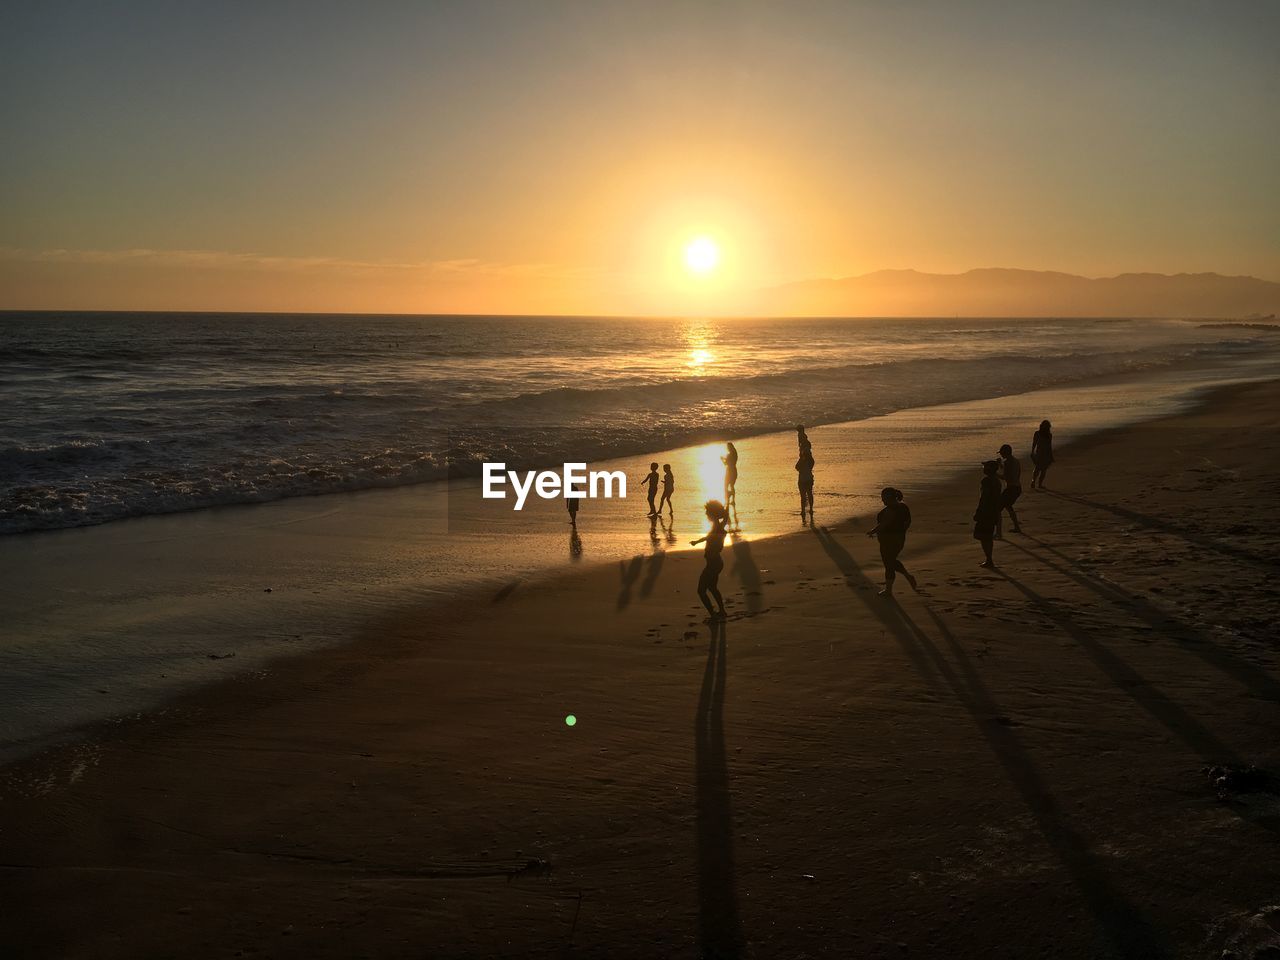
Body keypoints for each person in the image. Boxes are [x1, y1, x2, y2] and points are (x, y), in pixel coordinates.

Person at [866, 487, 918, 597]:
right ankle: (907, 576)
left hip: (888, 540)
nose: (882, 500)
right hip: (900, 539)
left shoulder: (890, 510)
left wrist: (872, 531)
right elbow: (908, 522)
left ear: (889, 498)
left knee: (889, 564)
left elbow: (884, 524)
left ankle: (889, 590)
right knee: (891, 561)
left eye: (883, 498)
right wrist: (901, 532)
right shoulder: (904, 506)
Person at [690, 499, 730, 620]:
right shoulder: (718, 526)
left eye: (707, 512)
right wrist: (697, 542)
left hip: (713, 564)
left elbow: (713, 539)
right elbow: (709, 537)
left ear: (713, 514)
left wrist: (711, 552)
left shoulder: (718, 527)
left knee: (701, 591)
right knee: (712, 587)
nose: (706, 514)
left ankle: (713, 615)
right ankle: (722, 611)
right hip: (717, 563)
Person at [973, 460, 1002, 568]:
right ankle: (989, 559)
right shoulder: (997, 481)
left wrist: (979, 511)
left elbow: (984, 498)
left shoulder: (986, 481)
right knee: (988, 536)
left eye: (985, 467)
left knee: (983, 536)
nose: (983, 469)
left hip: (986, 511)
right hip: (994, 511)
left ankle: (989, 559)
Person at [996, 443, 1023, 537]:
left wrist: (994, 473)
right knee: (1008, 506)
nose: (1001, 455)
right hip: (1017, 487)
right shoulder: (1016, 461)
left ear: (1005, 453)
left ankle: (998, 533)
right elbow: (1013, 473)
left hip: (1011, 488)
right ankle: (1017, 527)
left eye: (1001, 453)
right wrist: (1000, 465)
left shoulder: (1007, 462)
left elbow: (1005, 477)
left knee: (997, 509)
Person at [795, 425, 815, 520]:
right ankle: (810, 509)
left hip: (803, 478)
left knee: (803, 495)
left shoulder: (803, 438)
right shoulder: (810, 460)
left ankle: (803, 510)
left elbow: (797, 467)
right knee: (809, 493)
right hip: (809, 477)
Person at [1031, 419, 1054, 489]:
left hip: (1045, 454)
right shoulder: (1037, 433)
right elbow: (1034, 443)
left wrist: (1051, 456)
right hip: (1039, 454)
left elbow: (1049, 446)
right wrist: (1032, 452)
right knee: (1038, 469)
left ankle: (1038, 483)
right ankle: (1034, 482)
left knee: (1042, 470)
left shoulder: (1049, 435)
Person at [721, 442, 739, 511]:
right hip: (734, 470)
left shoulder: (730, 454)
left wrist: (722, 459)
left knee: (726, 486)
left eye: (728, 447)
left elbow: (726, 463)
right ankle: (732, 500)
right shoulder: (735, 453)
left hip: (729, 472)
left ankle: (728, 499)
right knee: (731, 486)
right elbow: (730, 461)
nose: (727, 448)